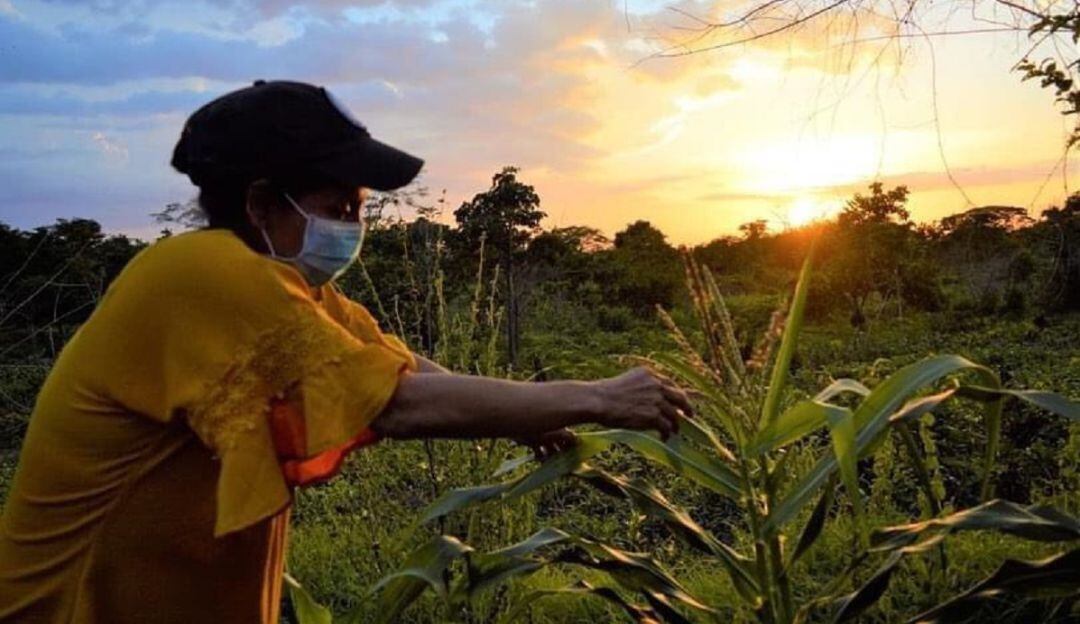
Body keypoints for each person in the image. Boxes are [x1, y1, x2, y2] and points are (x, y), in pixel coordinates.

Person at [0, 80, 692, 623]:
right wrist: (600, 396)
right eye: (338, 205)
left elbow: (402, 367)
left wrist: (529, 412)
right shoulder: (199, 272)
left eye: (359, 208)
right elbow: (397, 403)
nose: (352, 226)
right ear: (263, 202)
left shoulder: (290, 287)